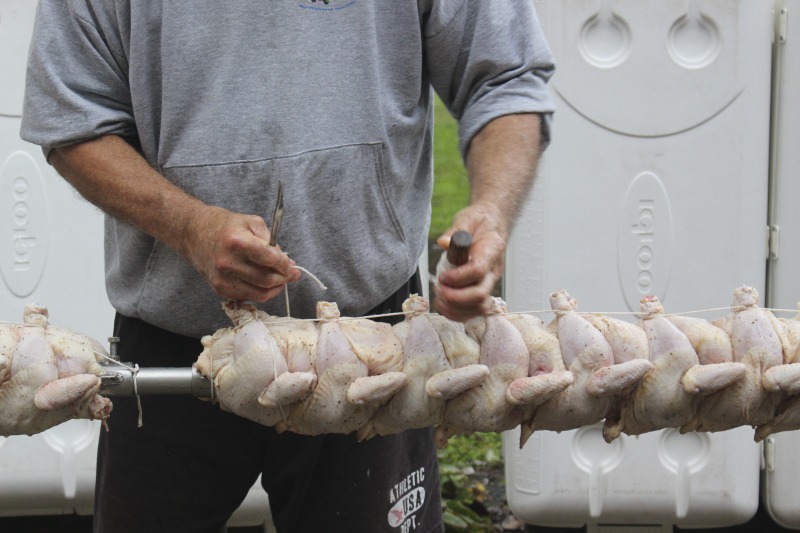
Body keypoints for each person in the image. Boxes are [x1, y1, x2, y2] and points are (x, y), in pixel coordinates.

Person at [21, 1, 554, 531]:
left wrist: (491, 211)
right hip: (170, 351)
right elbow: (71, 118)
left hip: (370, 348)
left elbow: (506, 77)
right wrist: (189, 227)